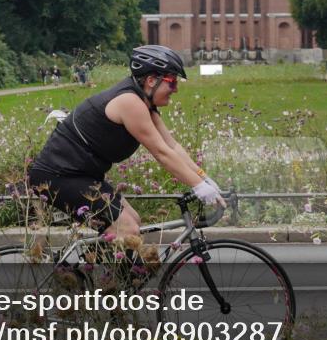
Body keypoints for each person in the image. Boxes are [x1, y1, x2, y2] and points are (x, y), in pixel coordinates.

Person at [28, 45, 225, 238]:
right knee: (127, 228)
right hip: (58, 176)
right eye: (172, 82)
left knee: (133, 221)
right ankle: (96, 270)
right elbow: (161, 153)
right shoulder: (129, 102)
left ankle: (99, 268)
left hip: (84, 175)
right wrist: (198, 186)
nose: (175, 89)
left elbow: (172, 146)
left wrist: (203, 178)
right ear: (150, 81)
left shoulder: (145, 104)